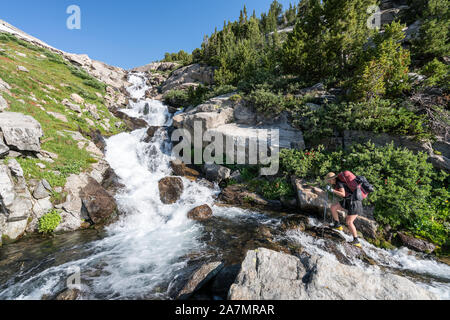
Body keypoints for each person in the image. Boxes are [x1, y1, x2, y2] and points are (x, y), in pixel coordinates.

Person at [324, 172, 363, 248]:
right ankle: (337, 224)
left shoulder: (339, 183)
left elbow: (343, 194)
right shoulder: (337, 183)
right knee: (333, 207)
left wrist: (332, 190)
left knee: (349, 222)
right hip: (348, 201)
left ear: (333, 179)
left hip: (354, 203)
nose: (329, 181)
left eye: (329, 180)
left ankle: (356, 240)